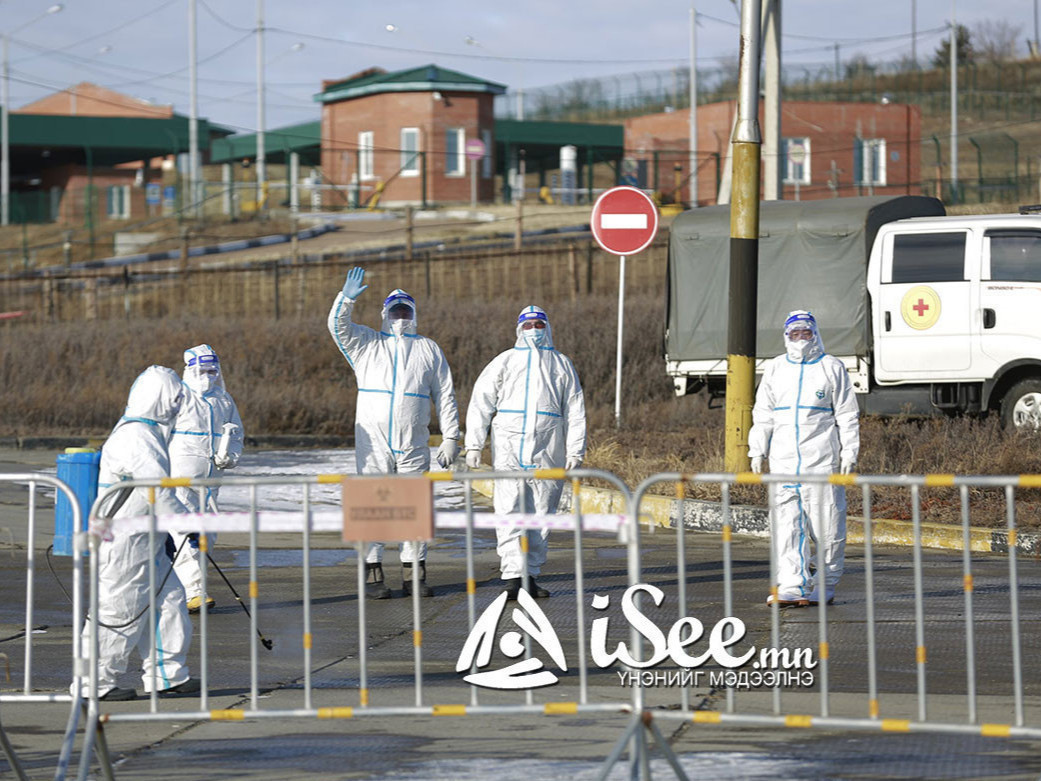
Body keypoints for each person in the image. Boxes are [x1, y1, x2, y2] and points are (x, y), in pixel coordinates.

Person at [328, 266, 461, 599]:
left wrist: (450, 436)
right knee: (374, 505)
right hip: (373, 443)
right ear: (384, 314)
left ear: (413, 314)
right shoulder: (366, 344)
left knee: (414, 506)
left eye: (405, 310)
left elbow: (445, 394)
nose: (400, 315)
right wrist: (345, 300)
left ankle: (414, 573)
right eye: (394, 311)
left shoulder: (429, 350)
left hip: (413, 441)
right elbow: (337, 327)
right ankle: (373, 574)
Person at [78, 366, 199, 701]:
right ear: (158, 399)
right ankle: (94, 684)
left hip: (147, 540)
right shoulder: (136, 437)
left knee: (169, 601)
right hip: (125, 543)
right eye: (173, 399)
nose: (177, 406)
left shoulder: (147, 433)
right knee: (119, 611)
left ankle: (167, 675)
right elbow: (158, 491)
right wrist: (186, 524)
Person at [465, 305, 586, 600]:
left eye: (539, 324)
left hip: (548, 446)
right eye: (528, 325)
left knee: (542, 512)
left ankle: (530, 575)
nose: (534, 330)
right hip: (508, 443)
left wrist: (575, 449)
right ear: (519, 329)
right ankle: (511, 576)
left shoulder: (561, 364)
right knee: (509, 510)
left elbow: (575, 409)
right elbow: (481, 402)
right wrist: (473, 444)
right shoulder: (504, 362)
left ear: (548, 327)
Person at [748, 310, 860, 607]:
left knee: (827, 526)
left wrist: (850, 451)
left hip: (820, 460)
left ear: (815, 334)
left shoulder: (830, 367)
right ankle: (791, 584)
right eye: (794, 334)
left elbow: (847, 415)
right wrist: (757, 448)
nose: (800, 339)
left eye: (805, 333)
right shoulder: (775, 368)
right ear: (786, 336)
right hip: (783, 462)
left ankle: (826, 584)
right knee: (787, 527)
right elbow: (763, 414)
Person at [168, 344, 244, 614]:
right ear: (189, 369)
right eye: (202, 370)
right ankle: (195, 591)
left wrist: (230, 455)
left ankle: (176, 588)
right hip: (181, 477)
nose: (208, 375)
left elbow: (237, 434)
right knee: (184, 531)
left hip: (212, 480)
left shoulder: (223, 399)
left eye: (213, 370)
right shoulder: (179, 398)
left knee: (207, 534)